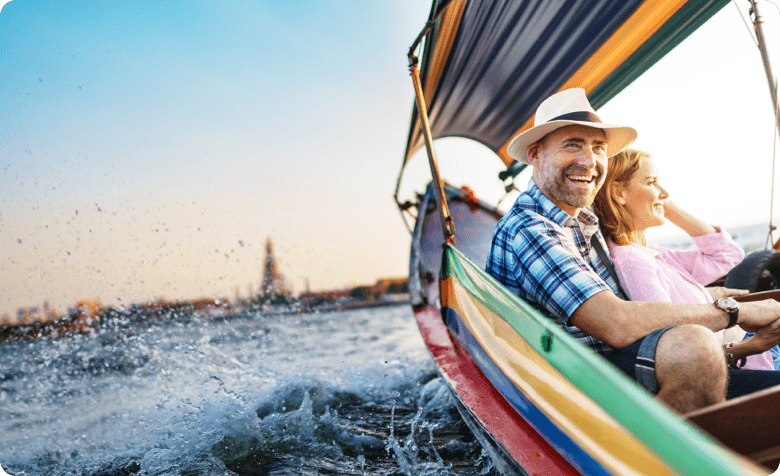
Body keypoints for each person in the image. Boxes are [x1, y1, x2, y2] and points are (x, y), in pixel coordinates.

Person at [485, 87, 780, 413]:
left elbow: (715, 250)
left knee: (697, 345)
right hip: (569, 386)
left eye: (598, 148)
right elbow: (615, 322)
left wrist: (718, 294)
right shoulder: (531, 229)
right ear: (535, 154)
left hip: (611, 361)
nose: (589, 160)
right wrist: (735, 313)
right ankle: (670, 460)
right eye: (572, 145)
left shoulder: (581, 217)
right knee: (693, 346)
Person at [592, 149, 776, 371]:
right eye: (651, 182)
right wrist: (750, 346)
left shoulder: (651, 253)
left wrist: (664, 205)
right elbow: (674, 338)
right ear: (618, 193)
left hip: (751, 348)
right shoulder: (632, 261)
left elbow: (727, 255)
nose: (665, 192)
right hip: (739, 359)